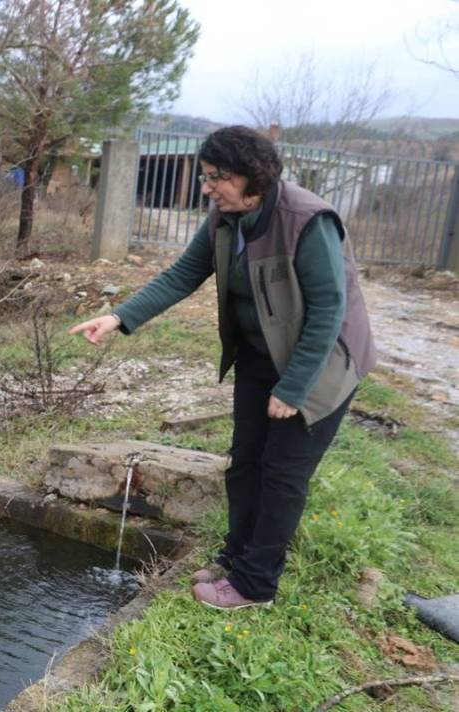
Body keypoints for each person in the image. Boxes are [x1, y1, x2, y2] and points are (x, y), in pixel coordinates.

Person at [70, 126, 375, 610]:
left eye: (217, 177)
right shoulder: (224, 217)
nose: (207, 187)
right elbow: (183, 274)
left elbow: (328, 310)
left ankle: (256, 585)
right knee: (245, 461)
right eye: (206, 176)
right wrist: (119, 317)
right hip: (259, 353)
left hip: (322, 361)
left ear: (253, 177)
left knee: (282, 473)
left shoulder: (306, 220)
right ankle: (236, 555)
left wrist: (294, 387)